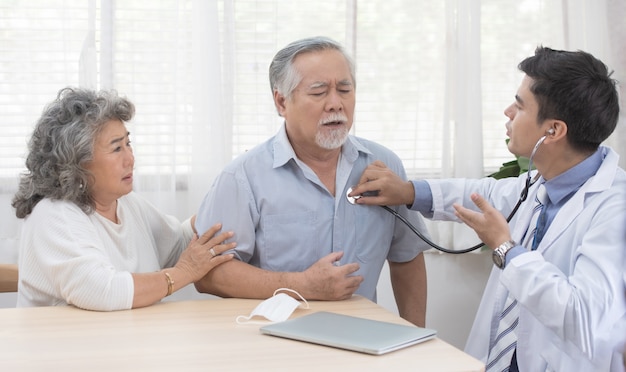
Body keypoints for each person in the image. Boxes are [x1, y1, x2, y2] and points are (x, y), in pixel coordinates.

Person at [349, 46, 626, 370]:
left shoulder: (614, 209)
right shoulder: (542, 182)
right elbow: (483, 193)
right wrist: (408, 191)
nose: (508, 112)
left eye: (520, 106)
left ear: (553, 130)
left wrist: (506, 248)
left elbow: (583, 317)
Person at [194, 36, 430, 326]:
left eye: (345, 89)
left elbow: (406, 257)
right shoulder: (241, 178)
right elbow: (208, 275)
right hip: (274, 341)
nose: (335, 104)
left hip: (363, 339)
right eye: (318, 92)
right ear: (281, 101)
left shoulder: (384, 166)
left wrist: (416, 335)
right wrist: (301, 285)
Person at [12, 87, 236, 311]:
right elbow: (103, 291)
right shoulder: (53, 215)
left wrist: (221, 203)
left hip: (126, 339)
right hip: (65, 344)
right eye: (117, 148)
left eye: (128, 144)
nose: (130, 158)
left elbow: (179, 244)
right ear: (77, 163)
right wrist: (183, 273)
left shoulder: (128, 204)